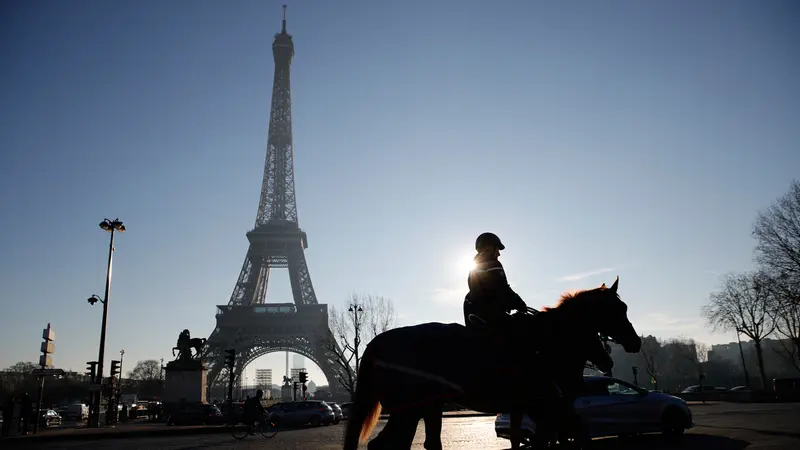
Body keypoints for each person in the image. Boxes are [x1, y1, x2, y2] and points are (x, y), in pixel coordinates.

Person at [463, 232, 527, 333]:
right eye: (496, 249)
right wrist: (518, 303)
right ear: (487, 249)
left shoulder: (473, 268)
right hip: (491, 316)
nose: (498, 253)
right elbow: (502, 288)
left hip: (474, 314)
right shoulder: (494, 264)